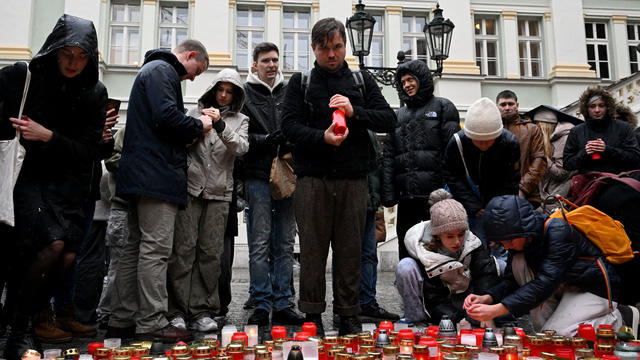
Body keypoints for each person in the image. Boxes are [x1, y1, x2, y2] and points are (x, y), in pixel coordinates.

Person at [0, 14, 107, 358]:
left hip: (66, 187)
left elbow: (89, 151)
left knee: (62, 255)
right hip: (21, 181)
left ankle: (18, 323)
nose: (74, 62)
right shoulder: (22, 76)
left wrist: (47, 136)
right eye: (68, 54)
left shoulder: (95, 92)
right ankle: (17, 330)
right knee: (36, 250)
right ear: (55, 49)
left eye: (82, 56)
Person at [281, 17, 396, 336]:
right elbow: (288, 126)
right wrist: (322, 137)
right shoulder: (300, 82)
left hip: (353, 180)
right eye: (324, 48)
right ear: (313, 48)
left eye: (337, 47)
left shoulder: (362, 81)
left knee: (350, 251)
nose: (331, 54)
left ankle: (349, 313)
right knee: (313, 252)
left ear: (345, 45)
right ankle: (312, 314)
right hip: (312, 181)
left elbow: (389, 119)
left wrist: (354, 111)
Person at [106, 39, 213, 342]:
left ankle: (122, 319)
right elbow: (167, 117)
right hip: (156, 176)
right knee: (155, 250)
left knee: (134, 249)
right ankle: (152, 320)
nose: (193, 77)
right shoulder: (164, 71)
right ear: (190, 55)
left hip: (139, 176)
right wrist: (199, 125)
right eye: (197, 70)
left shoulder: (151, 71)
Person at [463, 195, 635, 337]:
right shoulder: (520, 241)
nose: (506, 246)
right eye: (502, 242)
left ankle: (620, 318)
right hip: (559, 287)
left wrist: (496, 310)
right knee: (547, 336)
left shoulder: (558, 232)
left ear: (525, 229)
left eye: (509, 241)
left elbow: (544, 283)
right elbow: (512, 281)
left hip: (592, 287)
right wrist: (487, 298)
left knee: (558, 335)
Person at [167, 68, 249, 332]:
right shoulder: (194, 113)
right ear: (212, 91)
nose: (224, 96)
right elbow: (179, 145)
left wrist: (221, 126)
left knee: (211, 255)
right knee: (183, 250)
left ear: (236, 95)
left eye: (229, 92)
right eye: (220, 90)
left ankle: (203, 310)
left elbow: (241, 148)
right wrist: (196, 131)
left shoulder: (241, 120)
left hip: (220, 192)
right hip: (191, 189)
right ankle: (177, 310)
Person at [240, 42, 303, 326]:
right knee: (260, 242)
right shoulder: (243, 93)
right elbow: (239, 137)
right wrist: (265, 140)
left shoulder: (290, 91)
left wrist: (292, 139)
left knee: (285, 242)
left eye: (275, 60)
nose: (271, 65)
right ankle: (262, 302)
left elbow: (298, 127)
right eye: (265, 60)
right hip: (257, 175)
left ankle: (283, 302)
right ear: (254, 65)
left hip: (287, 173)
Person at [382, 59, 460, 261]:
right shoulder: (397, 116)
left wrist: (450, 189)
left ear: (421, 79)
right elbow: (389, 157)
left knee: (437, 251)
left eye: (410, 79)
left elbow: (453, 155)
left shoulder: (443, 107)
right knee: (407, 250)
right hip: (407, 199)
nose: (407, 85)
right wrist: (389, 195)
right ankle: (409, 290)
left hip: (437, 199)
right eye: (403, 82)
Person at [396, 189, 499, 327]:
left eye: (461, 234)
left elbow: (485, 278)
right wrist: (457, 320)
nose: (457, 241)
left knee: (500, 265)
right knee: (405, 266)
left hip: (466, 299)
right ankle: (417, 320)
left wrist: (483, 312)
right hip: (432, 305)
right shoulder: (424, 250)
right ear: (437, 235)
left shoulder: (473, 243)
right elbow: (433, 298)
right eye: (450, 236)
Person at [444, 97, 520, 274]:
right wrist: (474, 207)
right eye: (478, 140)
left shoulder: (510, 143)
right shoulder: (457, 142)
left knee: (499, 245)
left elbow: (511, 183)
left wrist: (497, 214)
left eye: (489, 140)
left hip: (498, 201)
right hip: (467, 199)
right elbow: (452, 176)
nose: (484, 145)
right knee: (473, 246)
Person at [359, 131, 399, 322]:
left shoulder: (370, 132)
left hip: (370, 202)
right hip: (355, 202)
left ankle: (366, 303)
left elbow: (376, 170)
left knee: (368, 254)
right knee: (352, 256)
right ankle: (349, 305)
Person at [563, 87, 640, 174]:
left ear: (607, 107)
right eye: (592, 106)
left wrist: (607, 150)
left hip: (618, 181)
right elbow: (567, 164)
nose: (597, 110)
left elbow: (635, 158)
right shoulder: (576, 131)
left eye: (601, 106)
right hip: (588, 183)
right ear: (586, 109)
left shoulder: (623, 128)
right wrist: (585, 153)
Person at [524, 105, 582, 214]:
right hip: (547, 195)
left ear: (544, 126)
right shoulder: (545, 140)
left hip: (560, 196)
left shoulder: (564, 138)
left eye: (537, 125)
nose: (535, 129)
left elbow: (561, 173)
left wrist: (541, 155)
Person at [496, 90, 547, 208]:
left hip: (527, 195)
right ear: (497, 107)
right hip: (497, 195)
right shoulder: (492, 129)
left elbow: (540, 160)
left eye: (510, 104)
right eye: (503, 105)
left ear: (517, 105)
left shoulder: (532, 129)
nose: (507, 108)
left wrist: (523, 188)